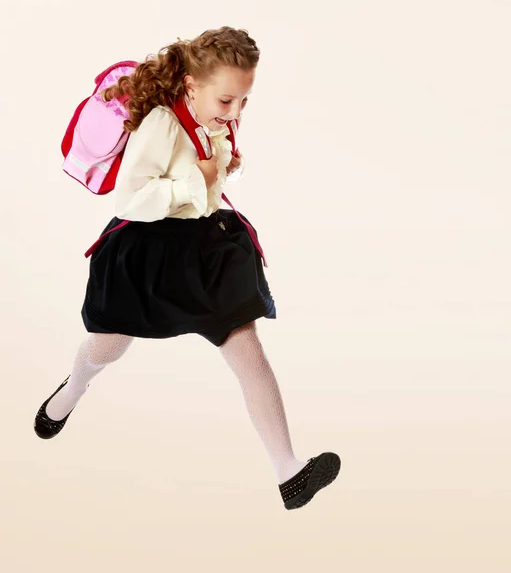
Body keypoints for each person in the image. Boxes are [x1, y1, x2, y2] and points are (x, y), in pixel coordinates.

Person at [34, 26, 340, 510]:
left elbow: (206, 166)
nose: (235, 112)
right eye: (226, 101)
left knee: (248, 351)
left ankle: (290, 473)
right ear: (193, 86)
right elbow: (131, 198)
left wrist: (220, 167)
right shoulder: (161, 122)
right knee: (108, 345)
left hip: (207, 246)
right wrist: (192, 180)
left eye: (243, 102)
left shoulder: (212, 115)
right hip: (148, 250)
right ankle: (71, 391)